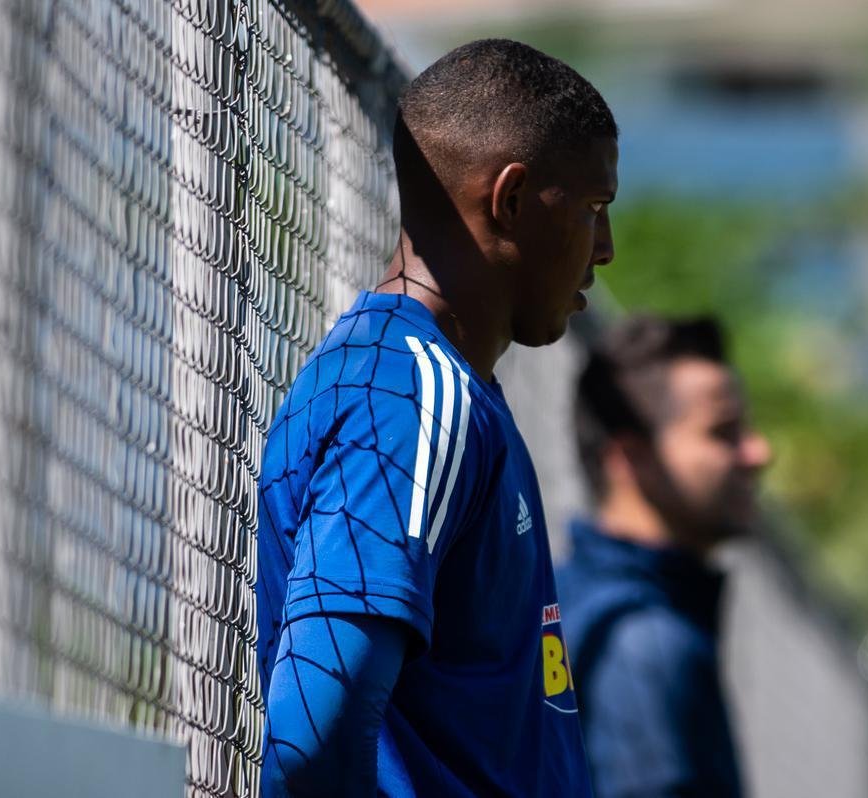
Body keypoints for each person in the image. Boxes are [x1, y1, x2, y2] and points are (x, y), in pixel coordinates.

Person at [255, 39, 617, 797]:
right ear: (510, 199)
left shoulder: (449, 387)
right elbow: (308, 743)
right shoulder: (407, 395)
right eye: (592, 209)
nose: (605, 249)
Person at [557, 316, 772, 798]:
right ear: (631, 459)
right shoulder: (641, 644)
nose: (759, 452)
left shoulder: (566, 599)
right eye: (724, 433)